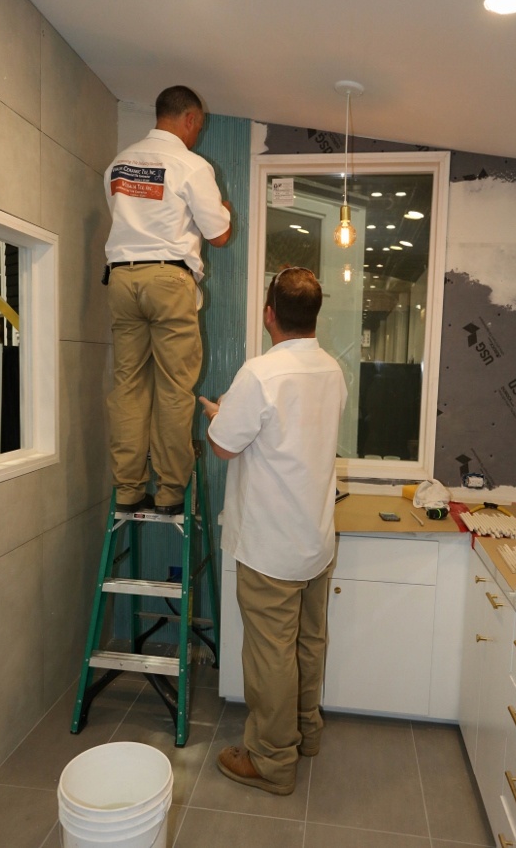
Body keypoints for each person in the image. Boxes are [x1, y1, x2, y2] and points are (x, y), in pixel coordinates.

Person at [199, 267, 347, 795]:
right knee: (308, 644)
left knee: (270, 657)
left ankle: (271, 760)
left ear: (269, 314)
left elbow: (223, 445)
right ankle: (306, 733)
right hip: (314, 540)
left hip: (270, 548)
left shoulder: (259, 373)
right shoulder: (332, 369)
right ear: (313, 316)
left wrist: (217, 415)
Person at [104, 85, 231, 514]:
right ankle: (171, 491)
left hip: (122, 279)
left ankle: (128, 487)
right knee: (175, 389)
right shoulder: (190, 165)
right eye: (199, 125)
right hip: (168, 279)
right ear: (190, 119)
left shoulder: (118, 164)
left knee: (128, 385)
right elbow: (220, 234)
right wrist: (223, 208)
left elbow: (130, 218)